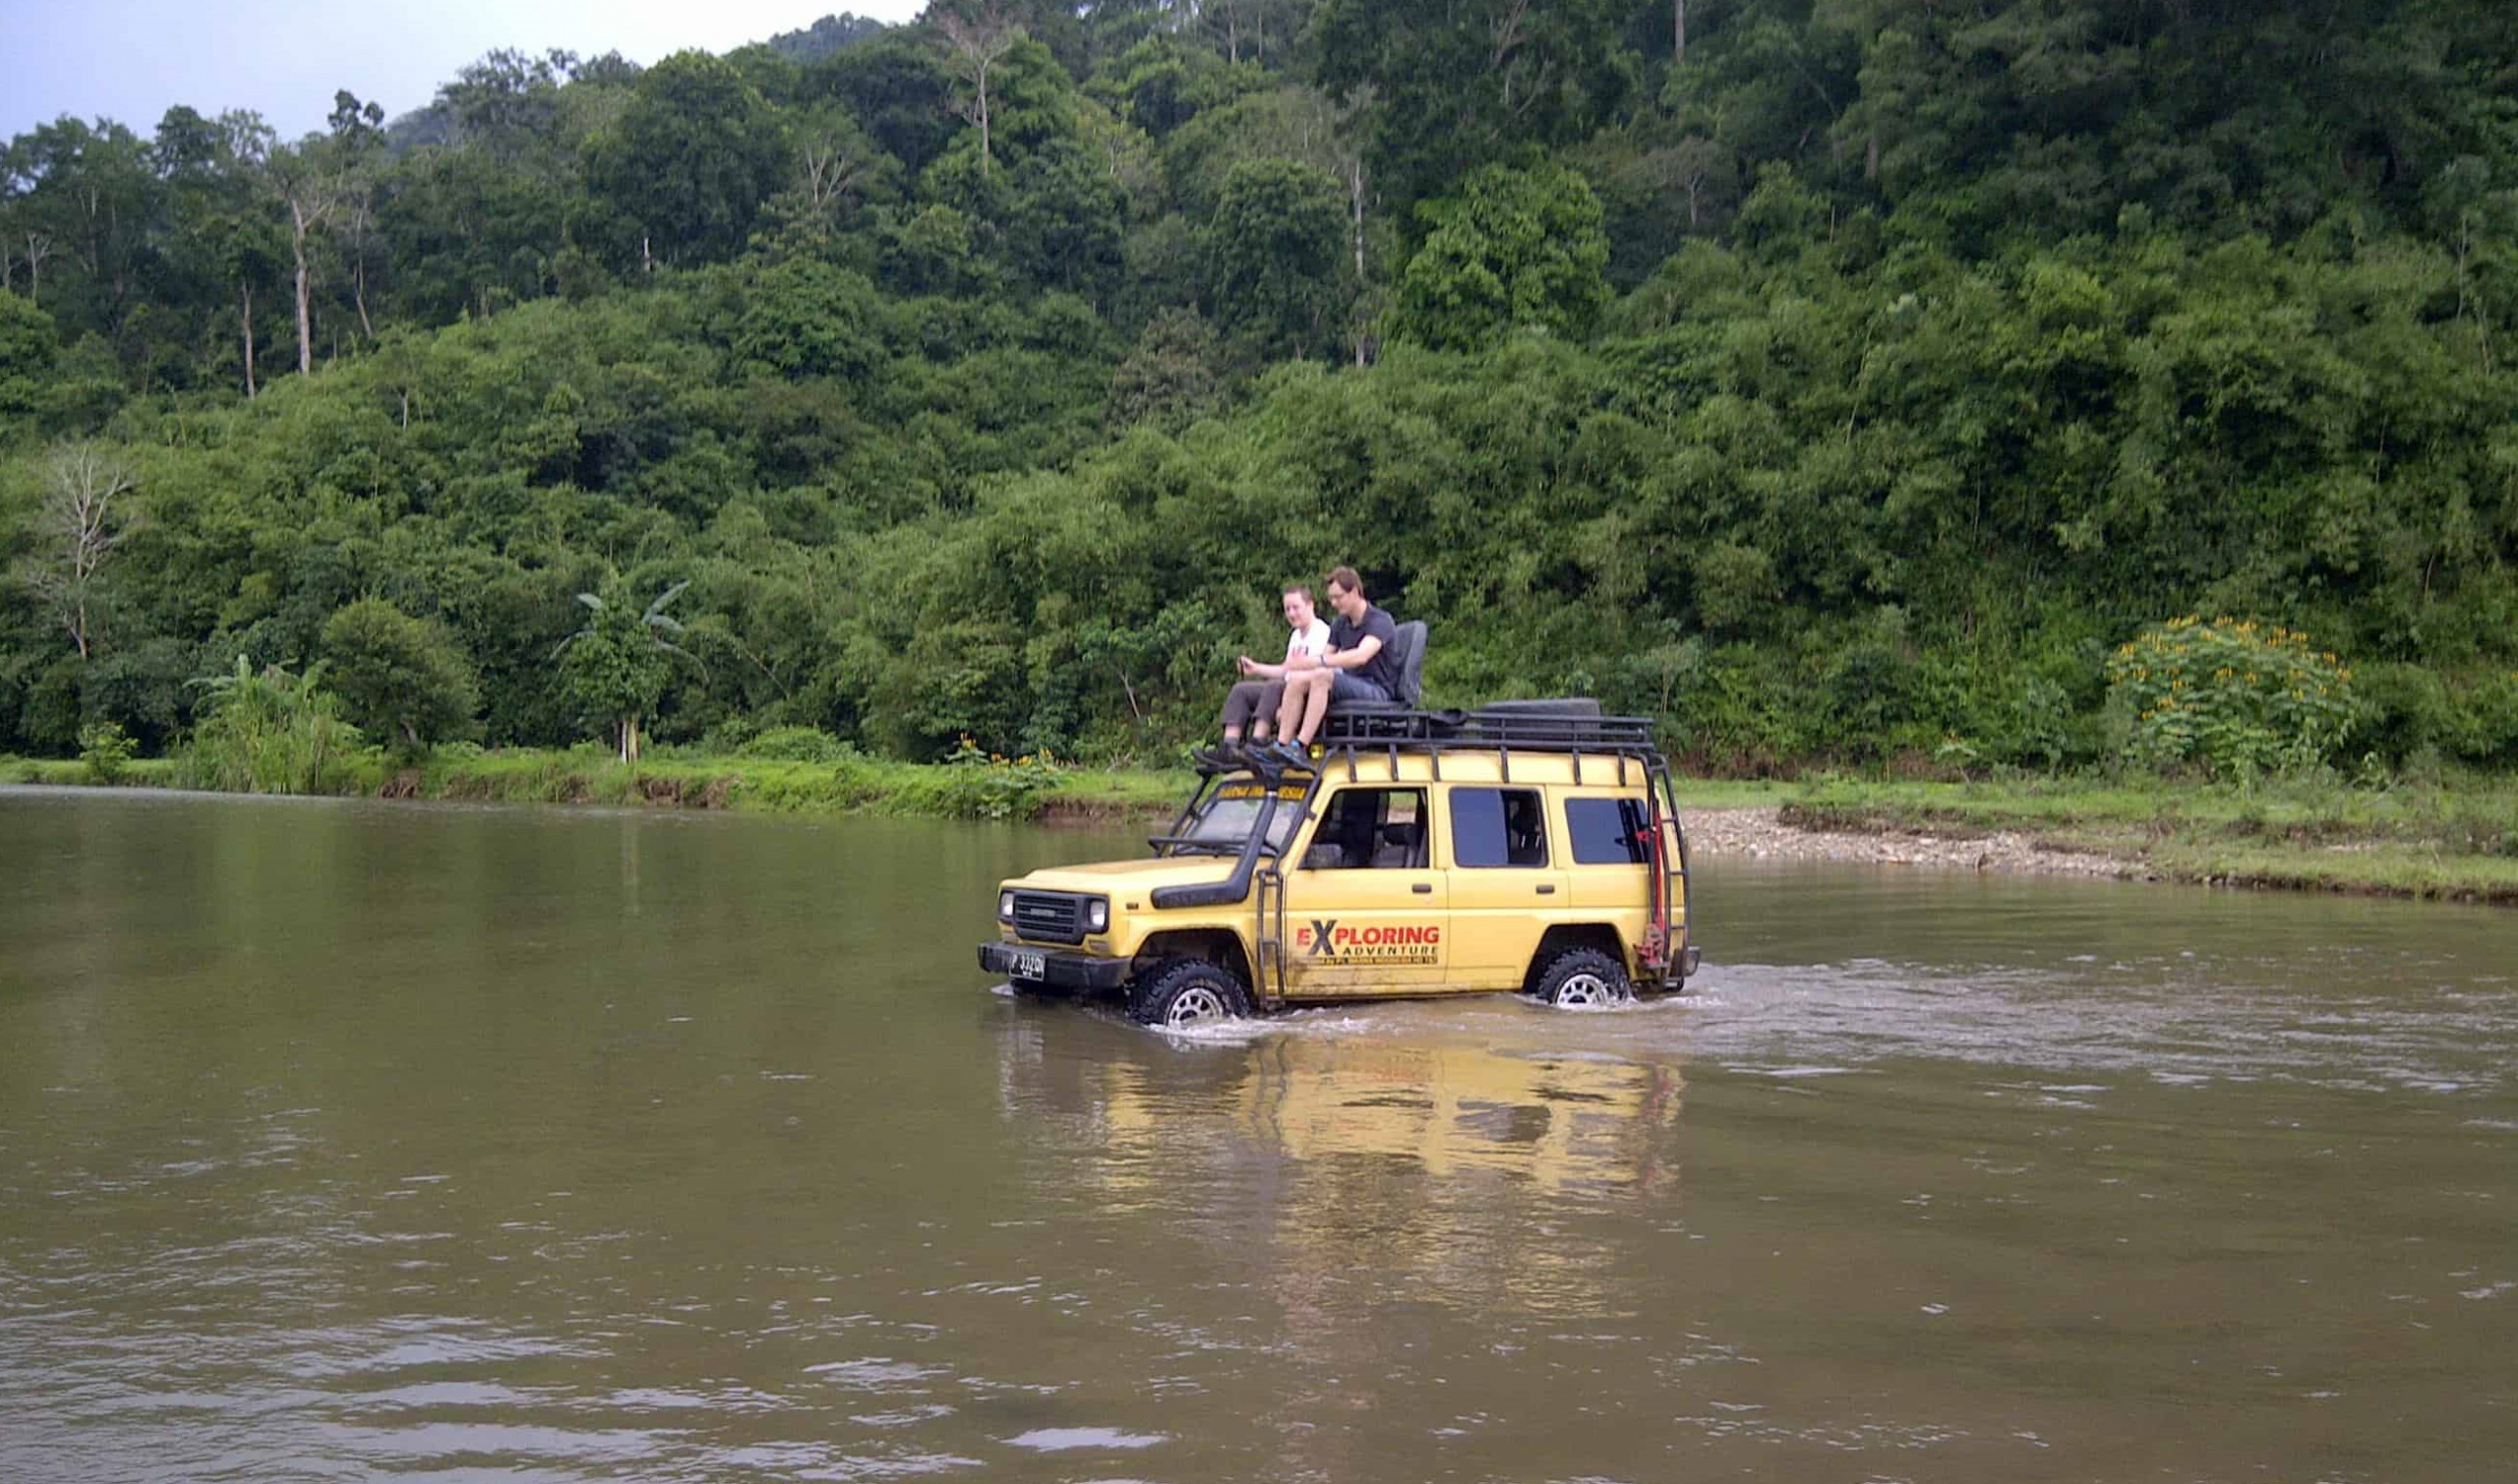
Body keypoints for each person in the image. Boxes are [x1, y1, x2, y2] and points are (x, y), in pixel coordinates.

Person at [1269, 566, 1400, 765]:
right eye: (1331, 598)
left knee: (1322, 675)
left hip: (1377, 689)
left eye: (1338, 597)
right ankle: (1282, 745)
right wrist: (1290, 701)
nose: (1333, 603)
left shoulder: (1380, 621)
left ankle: (1300, 746)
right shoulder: (1340, 623)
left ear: (1355, 592)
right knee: (1298, 679)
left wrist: (1318, 662)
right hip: (1351, 684)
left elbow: (1360, 656)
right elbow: (1324, 656)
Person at [1207, 584, 1332, 763]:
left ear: (1310, 605)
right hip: (1286, 686)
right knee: (1241, 690)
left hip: (1305, 691)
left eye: (1296, 608)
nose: (1291, 613)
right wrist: (1256, 668)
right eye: (1287, 609)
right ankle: (1229, 746)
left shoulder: (1322, 633)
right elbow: (1285, 670)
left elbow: (1317, 671)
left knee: (1274, 686)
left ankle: (1259, 742)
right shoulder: (1296, 636)